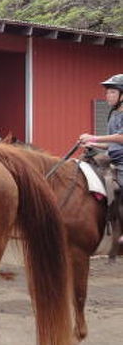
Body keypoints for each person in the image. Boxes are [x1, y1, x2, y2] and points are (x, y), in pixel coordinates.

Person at [79, 73, 123, 244]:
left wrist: (95, 137)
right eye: (107, 93)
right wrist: (91, 143)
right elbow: (112, 144)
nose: (107, 96)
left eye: (112, 92)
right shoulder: (113, 115)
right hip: (113, 158)